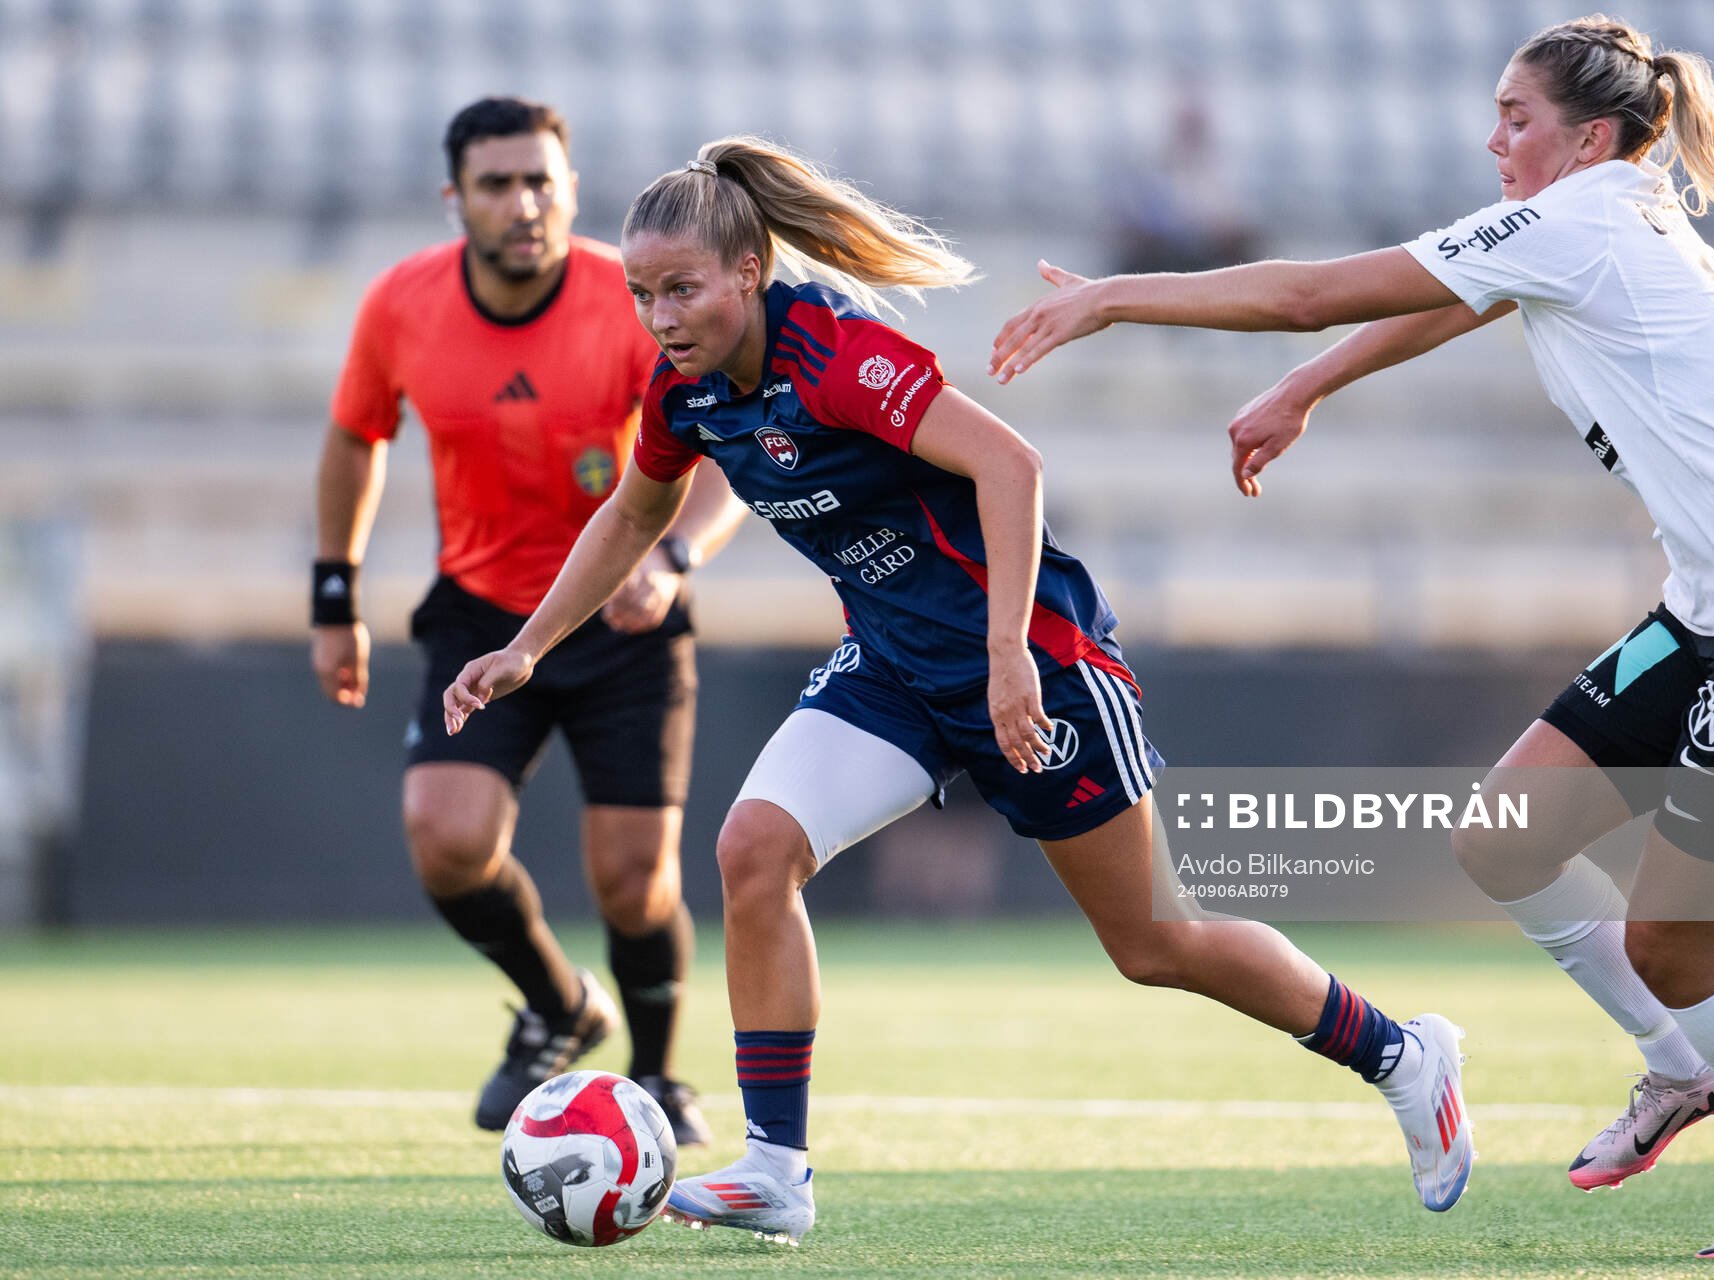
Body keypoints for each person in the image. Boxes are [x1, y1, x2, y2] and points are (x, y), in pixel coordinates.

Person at [443, 135, 1476, 1244]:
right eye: (644, 293)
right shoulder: (686, 393)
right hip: (893, 667)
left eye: (683, 288)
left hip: (1032, 661)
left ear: (748, 271)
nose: (662, 315)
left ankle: (1400, 1051)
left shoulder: (836, 355)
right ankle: (776, 1166)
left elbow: (1011, 465)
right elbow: (634, 515)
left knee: (1156, 942)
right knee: (753, 851)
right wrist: (530, 645)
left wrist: (1005, 656)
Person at [991, 15, 1714, 1262]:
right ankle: (1680, 1064)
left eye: (1515, 119)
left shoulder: (1583, 218)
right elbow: (1450, 302)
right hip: (1713, 609)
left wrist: (1113, 298)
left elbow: (1310, 290)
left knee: (1677, 946)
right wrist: (1311, 386)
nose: (1494, 141)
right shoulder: (1601, 215)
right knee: (1505, 836)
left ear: (1587, 137)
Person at [312, 96, 744, 1143]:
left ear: (572, 188)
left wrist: (678, 559)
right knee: (446, 839)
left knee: (635, 884)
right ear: (454, 197)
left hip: (624, 619)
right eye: (498, 183)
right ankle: (560, 1003)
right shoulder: (400, 304)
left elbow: (733, 439)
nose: (524, 203)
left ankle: (655, 1079)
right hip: (478, 612)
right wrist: (335, 591)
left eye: (542, 180)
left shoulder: (635, 296)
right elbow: (356, 436)